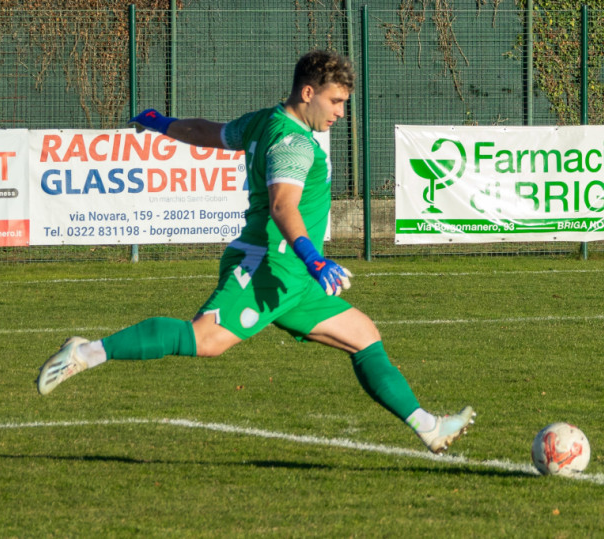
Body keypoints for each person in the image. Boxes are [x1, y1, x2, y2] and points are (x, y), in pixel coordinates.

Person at [36, 50, 475, 454]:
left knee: (363, 335)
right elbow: (283, 205)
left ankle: (428, 428)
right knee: (204, 340)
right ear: (308, 93)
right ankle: (86, 352)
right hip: (270, 264)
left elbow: (208, 133)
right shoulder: (293, 144)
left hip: (293, 278)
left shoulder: (265, 121)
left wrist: (161, 122)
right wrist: (314, 257)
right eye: (336, 101)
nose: (341, 112)